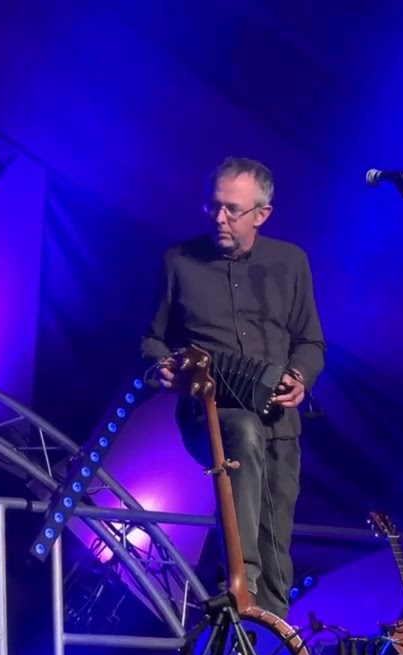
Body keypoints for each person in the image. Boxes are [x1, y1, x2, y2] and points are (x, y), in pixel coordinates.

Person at [141, 157, 325, 619]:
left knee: (278, 555)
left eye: (232, 210)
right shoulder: (179, 261)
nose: (219, 218)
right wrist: (162, 366)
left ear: (262, 214)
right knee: (242, 428)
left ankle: (267, 639)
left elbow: (311, 342)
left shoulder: (290, 263)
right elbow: (149, 338)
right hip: (209, 412)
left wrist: (299, 377)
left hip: (279, 424)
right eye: (214, 206)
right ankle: (240, 582)